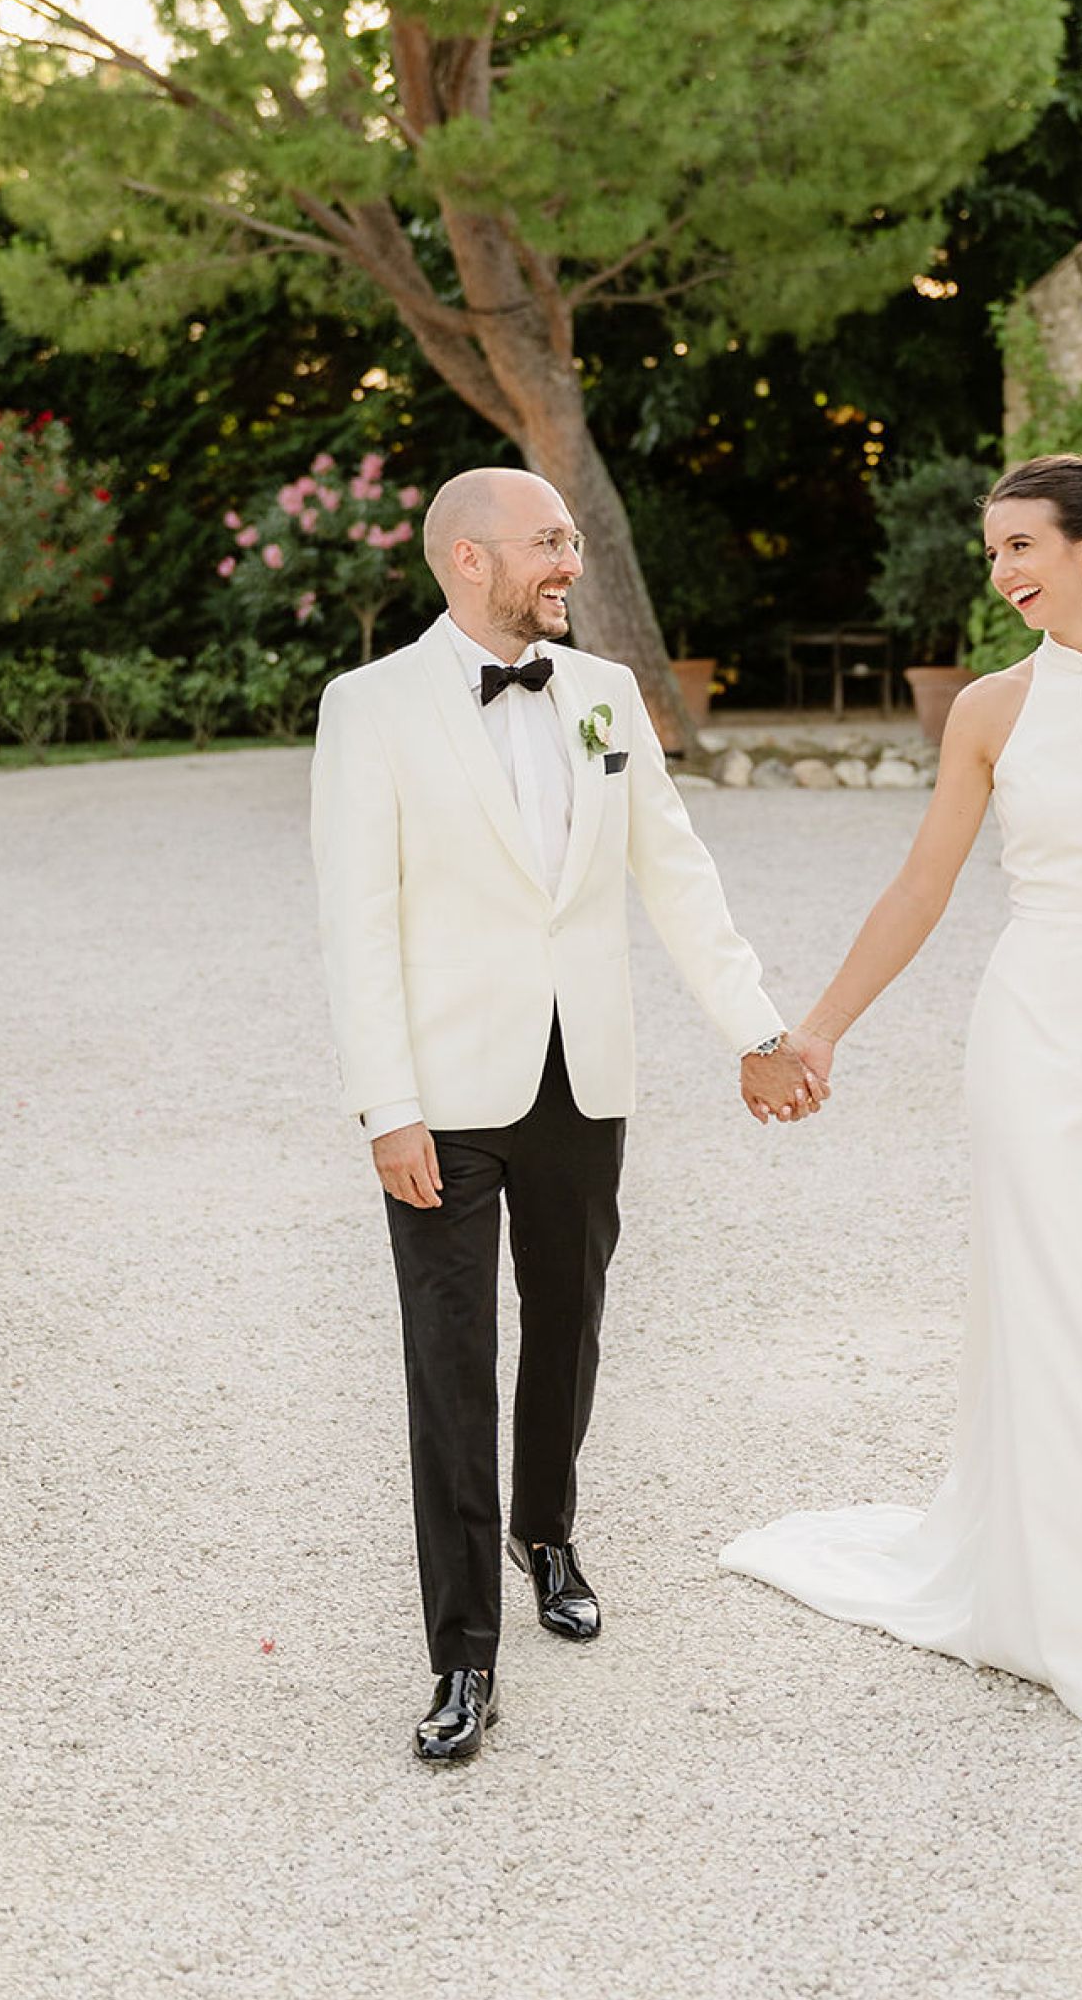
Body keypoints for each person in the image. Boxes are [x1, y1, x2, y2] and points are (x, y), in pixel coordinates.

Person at [723, 454, 1082, 1722]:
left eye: (1020, 546)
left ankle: (1073, 1556)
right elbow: (922, 888)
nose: (1002, 572)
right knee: (1058, 1294)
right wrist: (819, 1027)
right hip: (1033, 1025)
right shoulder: (986, 710)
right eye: (992, 552)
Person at [312, 466, 826, 1766]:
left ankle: (549, 1524)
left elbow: (678, 874)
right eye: (549, 540)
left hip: (582, 1080)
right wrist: (388, 1104)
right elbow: (356, 923)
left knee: (572, 1326)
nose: (571, 558)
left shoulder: (602, 695)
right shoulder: (369, 708)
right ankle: (464, 1655)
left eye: (572, 537)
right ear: (468, 559)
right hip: (442, 1096)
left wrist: (756, 1026)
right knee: (447, 1357)